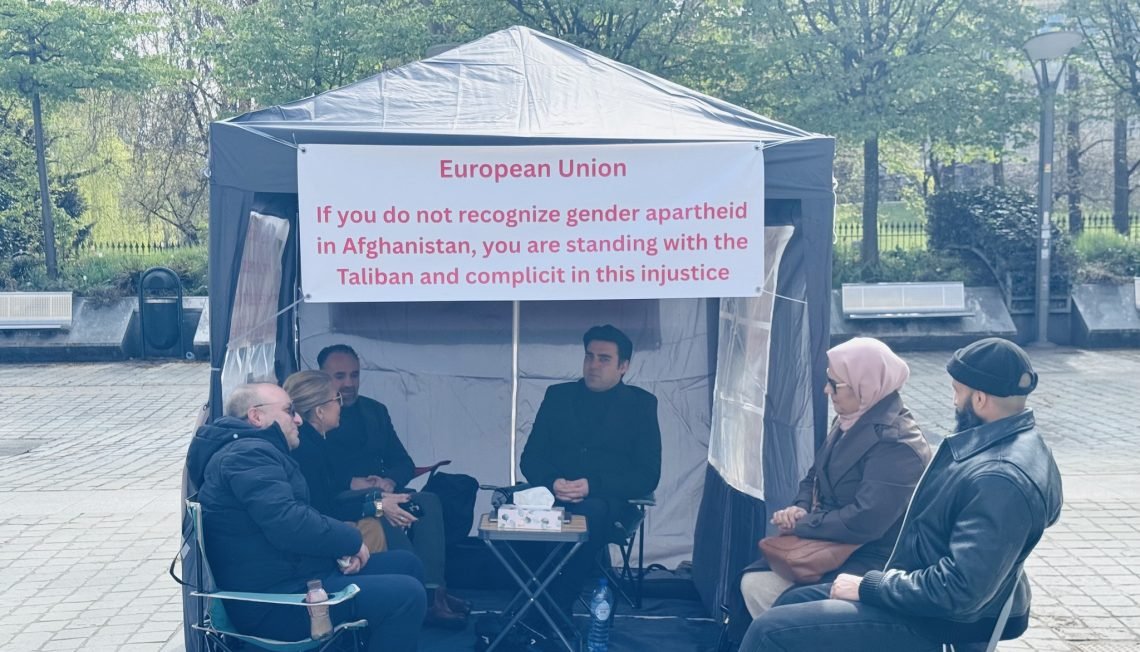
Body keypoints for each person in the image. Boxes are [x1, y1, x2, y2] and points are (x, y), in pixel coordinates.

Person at [740, 338, 1063, 652]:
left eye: (956, 391)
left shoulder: (999, 477)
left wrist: (869, 586)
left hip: (945, 617)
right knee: (792, 601)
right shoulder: (1014, 445)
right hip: (921, 588)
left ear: (979, 399)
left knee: (771, 630)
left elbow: (960, 590)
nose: (952, 401)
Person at [185, 383, 426, 652]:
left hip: (292, 579)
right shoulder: (246, 455)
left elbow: (292, 521)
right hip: (276, 603)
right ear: (256, 416)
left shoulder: (250, 452)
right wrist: (351, 541)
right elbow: (289, 523)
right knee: (407, 596)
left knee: (407, 564)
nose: (299, 419)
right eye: (290, 411)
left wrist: (339, 549)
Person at [740, 337, 932, 617]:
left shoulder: (897, 443)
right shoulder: (850, 419)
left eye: (834, 384)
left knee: (773, 597)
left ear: (864, 386)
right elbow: (815, 475)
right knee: (752, 579)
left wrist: (803, 524)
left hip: (871, 558)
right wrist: (800, 507)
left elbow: (866, 519)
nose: (826, 390)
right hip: (835, 543)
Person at [318, 344, 471, 627]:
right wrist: (353, 481)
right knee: (386, 511)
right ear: (322, 378)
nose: (349, 383)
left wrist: (390, 480)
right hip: (344, 496)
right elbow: (317, 473)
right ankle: (412, 593)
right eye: (340, 376)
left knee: (429, 501)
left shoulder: (375, 411)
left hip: (380, 487)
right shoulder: (317, 415)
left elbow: (403, 460)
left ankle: (435, 591)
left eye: (354, 375)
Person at [519, 324, 662, 615]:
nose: (593, 365)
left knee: (588, 514)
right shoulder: (557, 396)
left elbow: (648, 474)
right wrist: (552, 481)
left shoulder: (641, 405)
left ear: (624, 366)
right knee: (511, 512)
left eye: (604, 358)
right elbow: (530, 458)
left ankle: (550, 611)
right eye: (589, 356)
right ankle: (538, 607)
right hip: (552, 496)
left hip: (609, 505)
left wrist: (592, 485)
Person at [283, 370, 406, 554]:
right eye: (336, 399)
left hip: (319, 532)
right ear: (320, 411)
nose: (341, 406)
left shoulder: (311, 443)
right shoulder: (306, 451)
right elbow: (327, 510)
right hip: (316, 550)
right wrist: (378, 505)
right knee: (405, 562)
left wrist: (380, 499)